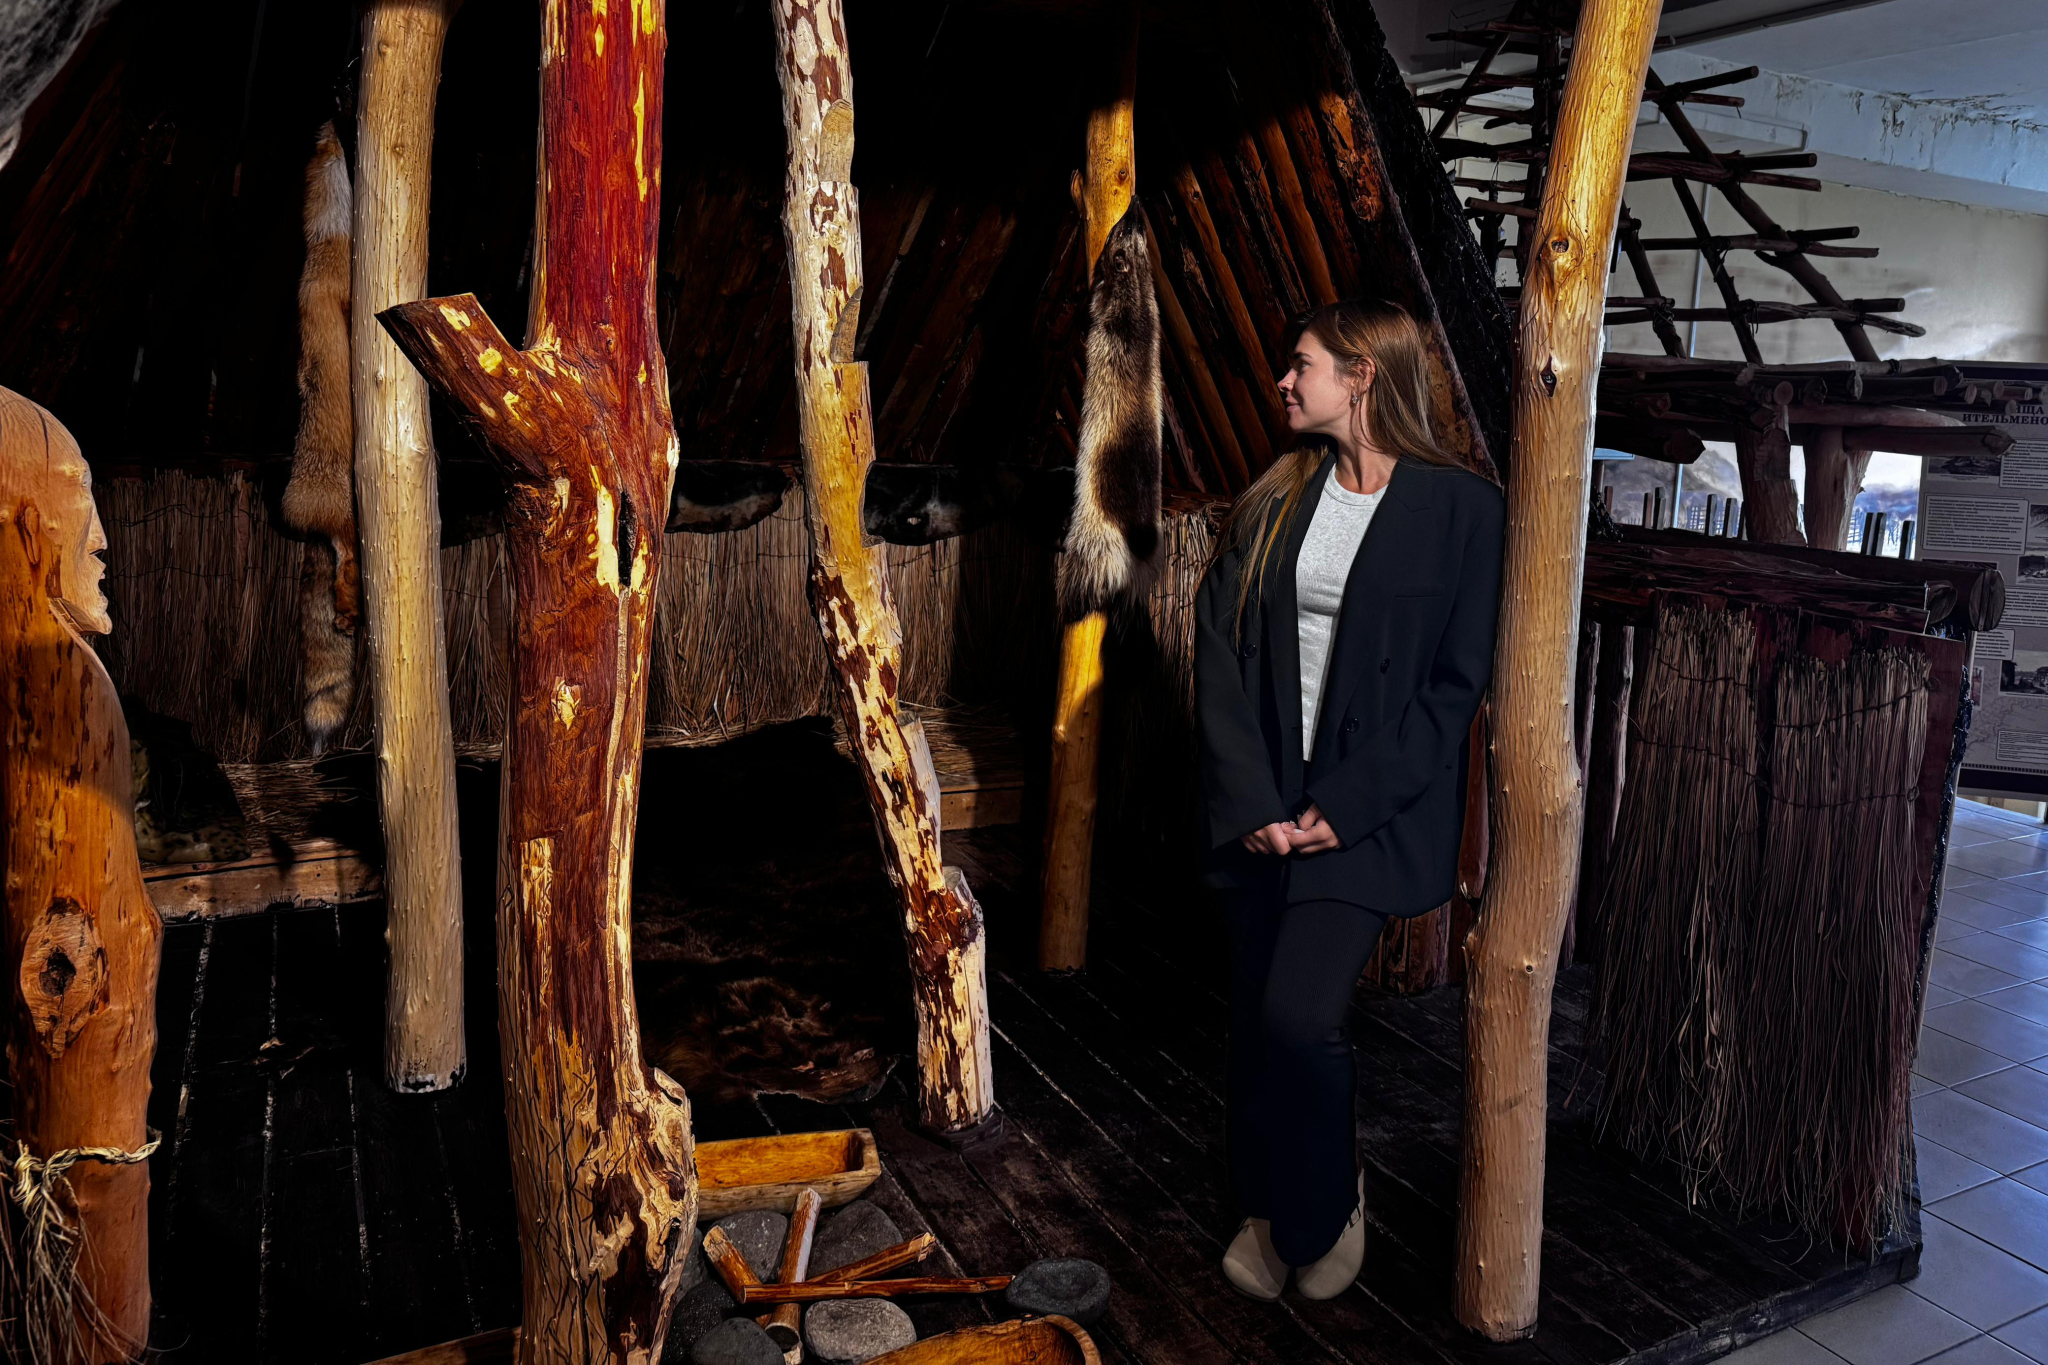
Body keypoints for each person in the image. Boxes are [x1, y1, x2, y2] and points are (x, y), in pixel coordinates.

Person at [1194, 301, 1504, 1301]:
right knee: (1254, 1018)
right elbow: (1217, 651)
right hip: (1263, 804)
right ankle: (1263, 1202)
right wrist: (1252, 798)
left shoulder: (1463, 512)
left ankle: (1323, 1207)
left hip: (1365, 813)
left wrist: (1347, 804)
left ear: (1363, 375)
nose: (1283, 382)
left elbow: (1453, 687)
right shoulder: (1274, 497)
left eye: (1302, 365)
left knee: (1298, 1018)